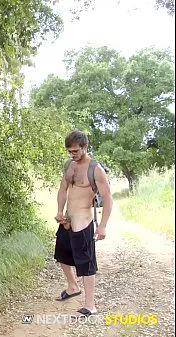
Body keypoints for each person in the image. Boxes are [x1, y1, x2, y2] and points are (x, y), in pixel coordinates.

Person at [53, 130, 113, 316]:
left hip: (84, 221)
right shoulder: (69, 166)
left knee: (86, 264)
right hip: (67, 220)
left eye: (76, 151)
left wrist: (102, 226)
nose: (73, 155)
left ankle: (90, 305)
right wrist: (59, 211)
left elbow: (108, 198)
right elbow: (63, 189)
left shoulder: (95, 169)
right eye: (70, 151)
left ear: (85, 147)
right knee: (61, 255)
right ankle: (72, 287)